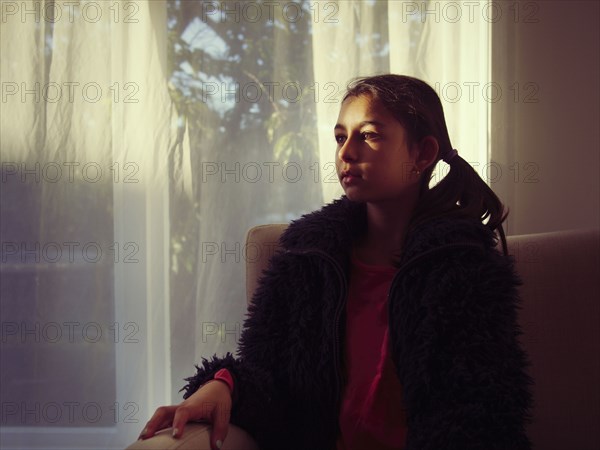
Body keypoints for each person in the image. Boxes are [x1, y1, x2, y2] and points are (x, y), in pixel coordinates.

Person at [128, 74, 535, 450]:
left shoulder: (464, 270)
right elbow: (272, 385)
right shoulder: (305, 262)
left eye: (370, 135)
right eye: (341, 136)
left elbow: (485, 408)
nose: (346, 152)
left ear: (422, 153)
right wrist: (223, 384)